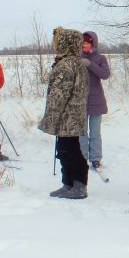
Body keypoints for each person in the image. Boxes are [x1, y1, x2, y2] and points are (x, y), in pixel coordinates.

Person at [39, 27, 90, 199]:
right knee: (65, 149)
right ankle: (68, 183)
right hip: (74, 115)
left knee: (70, 151)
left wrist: (51, 117)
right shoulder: (78, 63)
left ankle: (79, 185)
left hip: (66, 116)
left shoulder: (66, 65)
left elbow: (58, 95)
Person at [80, 31, 110, 169]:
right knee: (82, 132)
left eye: (87, 42)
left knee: (95, 131)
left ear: (93, 44)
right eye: (83, 42)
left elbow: (105, 74)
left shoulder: (100, 58)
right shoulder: (77, 57)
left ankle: (96, 158)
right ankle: (82, 156)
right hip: (80, 101)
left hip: (96, 100)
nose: (84, 45)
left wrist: (90, 64)